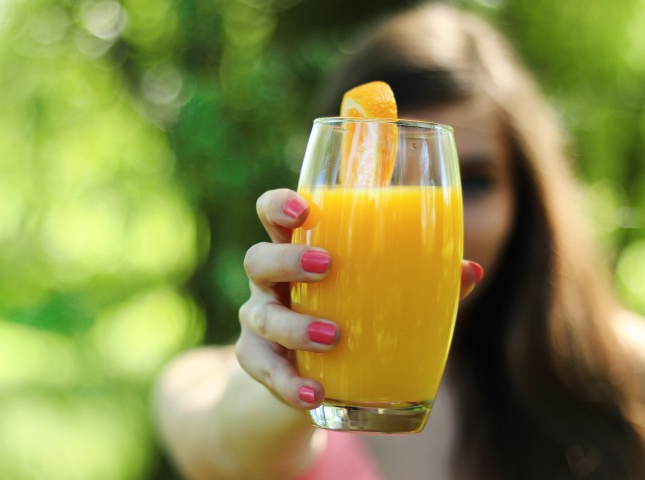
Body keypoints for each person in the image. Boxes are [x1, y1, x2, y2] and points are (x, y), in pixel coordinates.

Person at [152, 3, 645, 479]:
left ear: (526, 200)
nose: (439, 221)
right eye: (385, 175)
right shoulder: (205, 382)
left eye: (472, 180)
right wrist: (288, 380)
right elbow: (223, 448)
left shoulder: (627, 373)